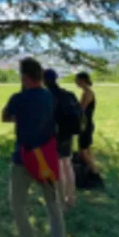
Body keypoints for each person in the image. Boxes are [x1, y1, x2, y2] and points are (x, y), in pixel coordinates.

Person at [2, 58, 71, 237]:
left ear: (24, 77)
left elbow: (5, 116)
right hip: (47, 160)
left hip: (23, 158)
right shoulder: (49, 96)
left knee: (18, 203)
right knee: (54, 206)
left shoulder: (19, 98)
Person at [43, 69, 78, 208]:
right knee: (68, 165)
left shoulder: (45, 96)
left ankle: (61, 201)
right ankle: (72, 198)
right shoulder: (68, 94)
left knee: (57, 168)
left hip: (53, 134)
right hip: (68, 133)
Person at [76, 72, 99, 175]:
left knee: (83, 152)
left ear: (83, 80)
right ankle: (93, 169)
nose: (76, 82)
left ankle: (95, 172)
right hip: (87, 124)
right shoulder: (86, 92)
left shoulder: (88, 93)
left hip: (86, 125)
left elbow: (82, 109)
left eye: (77, 80)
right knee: (87, 149)